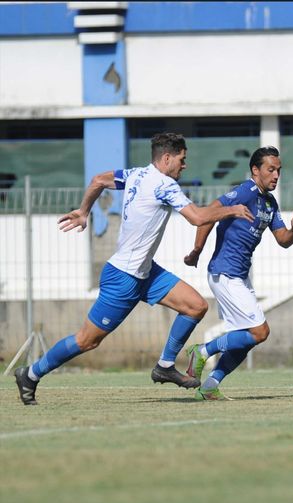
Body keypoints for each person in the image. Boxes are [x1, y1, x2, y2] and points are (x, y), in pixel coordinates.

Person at [14, 132, 255, 405]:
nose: (184, 165)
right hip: (123, 278)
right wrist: (232, 209)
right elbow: (197, 218)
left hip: (146, 272)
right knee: (87, 341)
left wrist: (84, 211)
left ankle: (164, 365)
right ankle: (31, 374)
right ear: (167, 158)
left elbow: (98, 180)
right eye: (182, 159)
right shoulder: (165, 185)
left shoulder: (136, 174)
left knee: (195, 306)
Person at [182, 146, 293, 401]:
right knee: (260, 331)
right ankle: (202, 351)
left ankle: (210, 385)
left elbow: (282, 239)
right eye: (271, 170)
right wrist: (196, 250)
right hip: (224, 273)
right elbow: (207, 215)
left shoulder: (269, 202)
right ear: (255, 170)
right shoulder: (244, 191)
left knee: (246, 339)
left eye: (279, 170)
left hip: (239, 276)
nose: (276, 175)